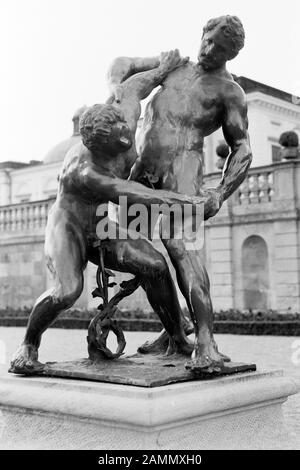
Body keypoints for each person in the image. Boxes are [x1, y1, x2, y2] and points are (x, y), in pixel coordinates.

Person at [10, 50, 203, 374]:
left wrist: (160, 67)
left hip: (101, 223)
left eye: (127, 134)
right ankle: (28, 345)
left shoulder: (121, 114)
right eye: (120, 142)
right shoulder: (86, 172)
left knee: (154, 264)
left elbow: (125, 74)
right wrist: (185, 202)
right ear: (99, 149)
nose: (129, 141)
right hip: (69, 226)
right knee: (67, 290)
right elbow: (132, 192)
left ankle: (177, 339)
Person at [107, 15, 253, 372]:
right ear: (201, 34)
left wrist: (220, 191)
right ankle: (174, 332)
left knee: (180, 249)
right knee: (129, 248)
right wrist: (147, 75)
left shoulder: (229, 92)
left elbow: (243, 149)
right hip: (141, 171)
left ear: (230, 54)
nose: (208, 50)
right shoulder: (173, 66)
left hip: (183, 173)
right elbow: (119, 66)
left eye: (219, 49)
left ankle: (206, 342)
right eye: (207, 40)